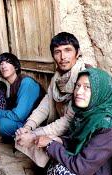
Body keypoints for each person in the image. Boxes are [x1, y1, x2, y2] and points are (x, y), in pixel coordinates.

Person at [15, 32, 91, 167]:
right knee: (21, 134)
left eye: (68, 50)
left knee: (38, 141)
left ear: (77, 53)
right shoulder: (57, 77)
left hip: (80, 133)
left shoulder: (84, 77)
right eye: (57, 52)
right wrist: (28, 126)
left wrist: (34, 134)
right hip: (64, 127)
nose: (62, 57)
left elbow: (68, 121)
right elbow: (45, 105)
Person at [36, 68, 112, 175]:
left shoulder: (108, 127)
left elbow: (82, 166)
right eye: (77, 86)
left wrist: (51, 144)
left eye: (87, 87)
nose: (78, 92)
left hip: (96, 173)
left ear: (100, 91)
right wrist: (59, 140)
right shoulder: (86, 114)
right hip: (84, 165)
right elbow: (77, 141)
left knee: (60, 170)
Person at [0, 53, 44, 141]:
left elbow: (18, 116)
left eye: (7, 62)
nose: (3, 66)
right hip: (25, 118)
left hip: (36, 123)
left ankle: (22, 138)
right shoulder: (12, 85)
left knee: (3, 124)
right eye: (1, 64)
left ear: (16, 67)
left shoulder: (27, 83)